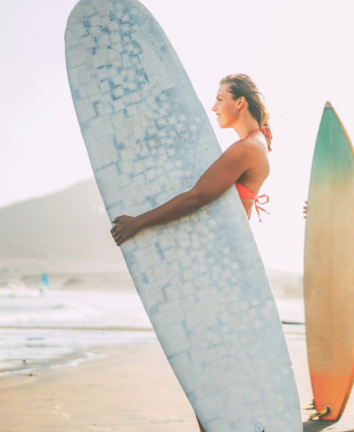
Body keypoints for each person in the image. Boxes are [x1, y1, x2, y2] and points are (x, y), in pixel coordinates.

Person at [109, 74, 271, 432]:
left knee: (208, 371)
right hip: (227, 266)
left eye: (219, 99)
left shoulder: (246, 148)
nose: (213, 107)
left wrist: (139, 222)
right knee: (211, 368)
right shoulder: (257, 145)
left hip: (220, 271)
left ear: (239, 102)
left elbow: (197, 197)